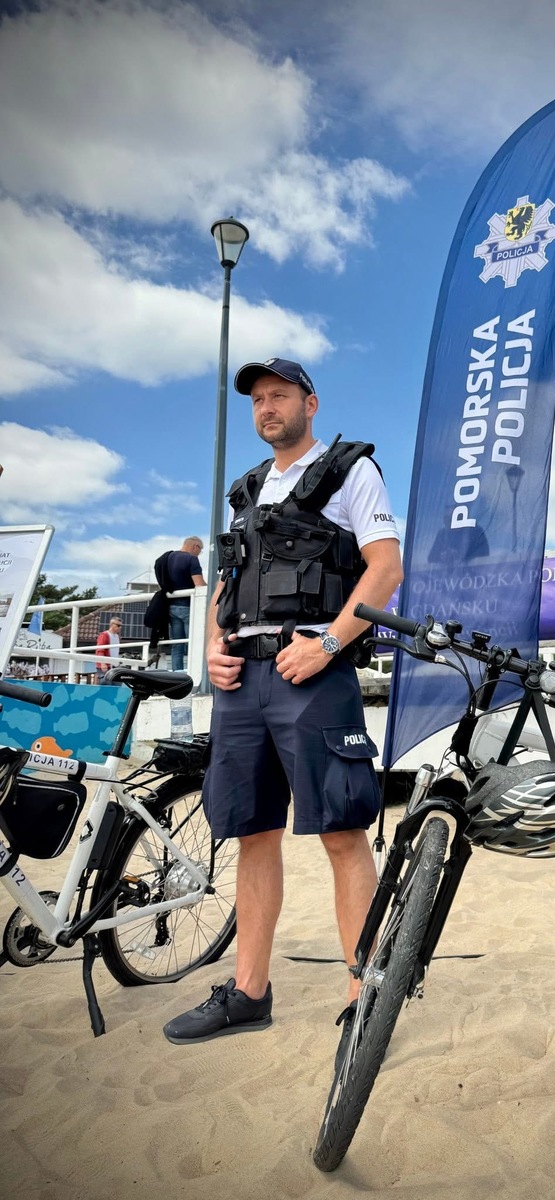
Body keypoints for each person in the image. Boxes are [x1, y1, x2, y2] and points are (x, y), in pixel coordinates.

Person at [163, 357, 402, 1046]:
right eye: (257, 400)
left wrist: (327, 644)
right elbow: (226, 585)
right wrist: (213, 649)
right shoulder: (246, 491)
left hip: (312, 676)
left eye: (279, 396)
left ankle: (363, 997)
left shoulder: (351, 471)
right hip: (242, 683)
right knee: (252, 831)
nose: (267, 407)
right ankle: (248, 993)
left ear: (310, 404)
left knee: (341, 831)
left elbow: (386, 567)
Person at [153, 537, 206, 672]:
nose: (199, 553)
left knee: (177, 644)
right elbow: (199, 584)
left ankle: (177, 675)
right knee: (194, 643)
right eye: (200, 550)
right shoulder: (191, 559)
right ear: (195, 546)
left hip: (171, 607)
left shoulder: (166, 558)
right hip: (188, 606)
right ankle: (195, 674)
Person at [95, 616, 122, 683]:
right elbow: (100, 650)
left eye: (121, 626)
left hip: (114, 665)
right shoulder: (104, 635)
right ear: (112, 624)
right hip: (106, 666)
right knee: (105, 685)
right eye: (118, 625)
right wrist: (103, 663)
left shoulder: (117, 636)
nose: (120, 627)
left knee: (116, 685)